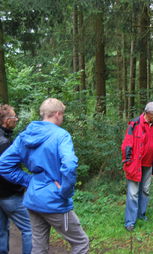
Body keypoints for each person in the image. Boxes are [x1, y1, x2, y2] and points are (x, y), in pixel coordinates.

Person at [0, 98, 89, 253]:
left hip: (33, 199)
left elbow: (3, 164)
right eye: (63, 114)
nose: (62, 117)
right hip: (54, 199)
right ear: (57, 114)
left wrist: (30, 180)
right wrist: (65, 192)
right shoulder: (61, 136)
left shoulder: (25, 136)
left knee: (38, 247)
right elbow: (69, 165)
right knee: (81, 242)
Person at [121, 102, 153, 231]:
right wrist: (127, 162)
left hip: (148, 164)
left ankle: (141, 215)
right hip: (135, 164)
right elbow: (127, 144)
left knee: (145, 190)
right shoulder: (134, 124)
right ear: (148, 112)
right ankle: (130, 222)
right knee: (133, 193)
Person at [0, 105, 32, 254]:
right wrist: (21, 187)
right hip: (9, 195)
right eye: (14, 117)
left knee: (1, 230)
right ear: (6, 121)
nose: (17, 119)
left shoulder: (5, 138)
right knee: (30, 229)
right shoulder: (4, 143)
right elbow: (7, 171)